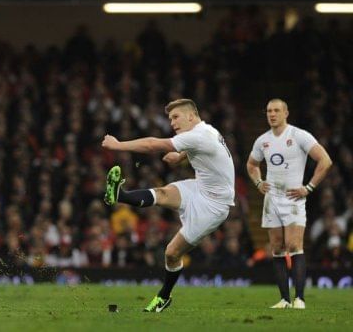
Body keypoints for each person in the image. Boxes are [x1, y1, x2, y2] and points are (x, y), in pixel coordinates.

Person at [102, 98, 235, 312]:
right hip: (200, 187)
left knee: (172, 253)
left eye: (176, 117)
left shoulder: (201, 135)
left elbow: (152, 144)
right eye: (170, 118)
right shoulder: (206, 131)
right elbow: (201, 148)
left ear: (191, 116)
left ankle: (164, 297)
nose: (172, 123)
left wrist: (118, 145)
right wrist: (181, 156)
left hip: (214, 206)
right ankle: (119, 195)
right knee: (163, 193)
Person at [246, 98, 332, 309]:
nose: (272, 114)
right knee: (276, 248)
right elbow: (251, 164)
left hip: (294, 198)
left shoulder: (299, 135)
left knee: (294, 245)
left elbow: (325, 160)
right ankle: (284, 299)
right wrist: (258, 182)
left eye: (276, 110)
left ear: (286, 113)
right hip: (271, 199)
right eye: (268, 111)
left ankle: (299, 298)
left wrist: (309, 187)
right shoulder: (262, 140)